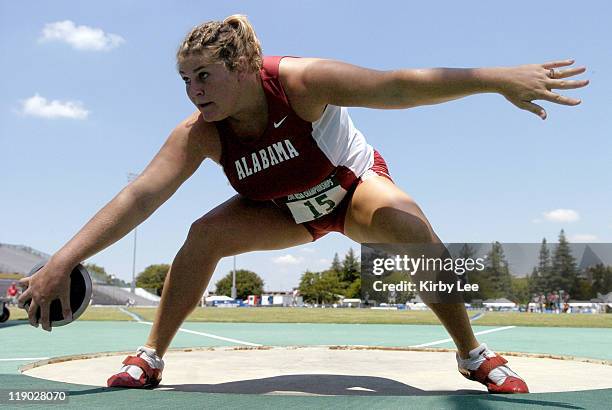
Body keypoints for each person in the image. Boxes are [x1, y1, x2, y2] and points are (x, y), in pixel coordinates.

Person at [18, 14, 588, 393]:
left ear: (242, 68)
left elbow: (397, 85)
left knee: (413, 230)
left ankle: (471, 354)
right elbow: (140, 195)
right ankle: (151, 357)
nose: (193, 91)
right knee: (202, 234)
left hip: (351, 189)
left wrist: (494, 78)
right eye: (185, 79)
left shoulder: (300, 82)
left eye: (205, 76)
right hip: (284, 211)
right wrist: (62, 260)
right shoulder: (200, 132)